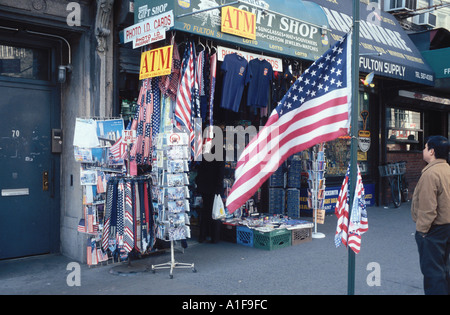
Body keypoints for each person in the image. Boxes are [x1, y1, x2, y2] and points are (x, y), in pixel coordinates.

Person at [411, 135, 450, 295]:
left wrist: (422, 232)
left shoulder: (430, 174)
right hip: (446, 228)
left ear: (432, 151)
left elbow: (428, 208)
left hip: (434, 230)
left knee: (433, 274)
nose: (423, 150)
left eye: (425, 147)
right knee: (444, 269)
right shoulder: (447, 170)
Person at [195, 156, 225, 243]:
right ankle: (214, 237)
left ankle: (203, 235)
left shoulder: (206, 151)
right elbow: (220, 171)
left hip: (205, 187)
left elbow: (201, 169)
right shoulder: (219, 151)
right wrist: (219, 187)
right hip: (214, 187)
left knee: (205, 211)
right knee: (215, 211)